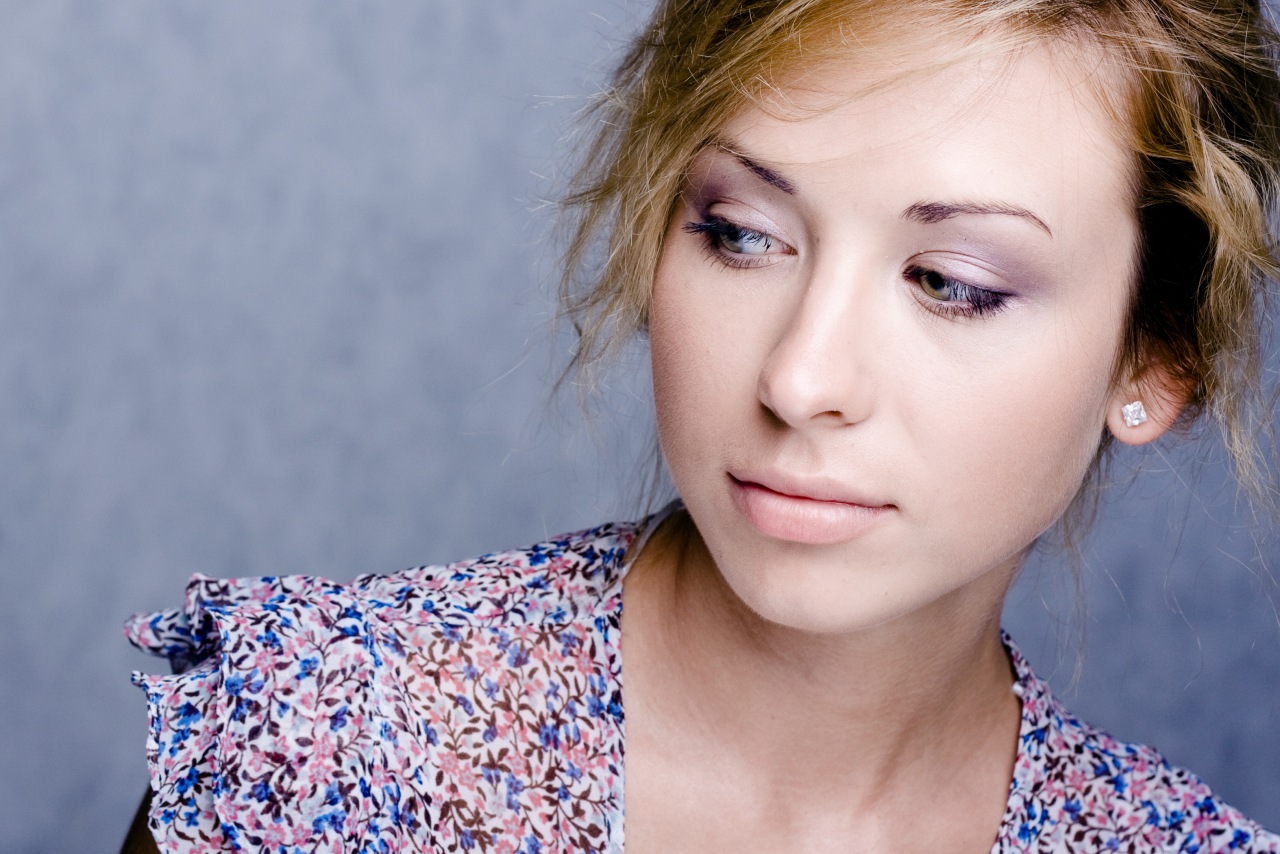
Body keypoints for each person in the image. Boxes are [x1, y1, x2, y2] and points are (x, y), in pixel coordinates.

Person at [122, 0, 1280, 851]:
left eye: (948, 281)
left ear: (1152, 357)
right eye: (741, 234)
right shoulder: (323, 745)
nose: (799, 376)